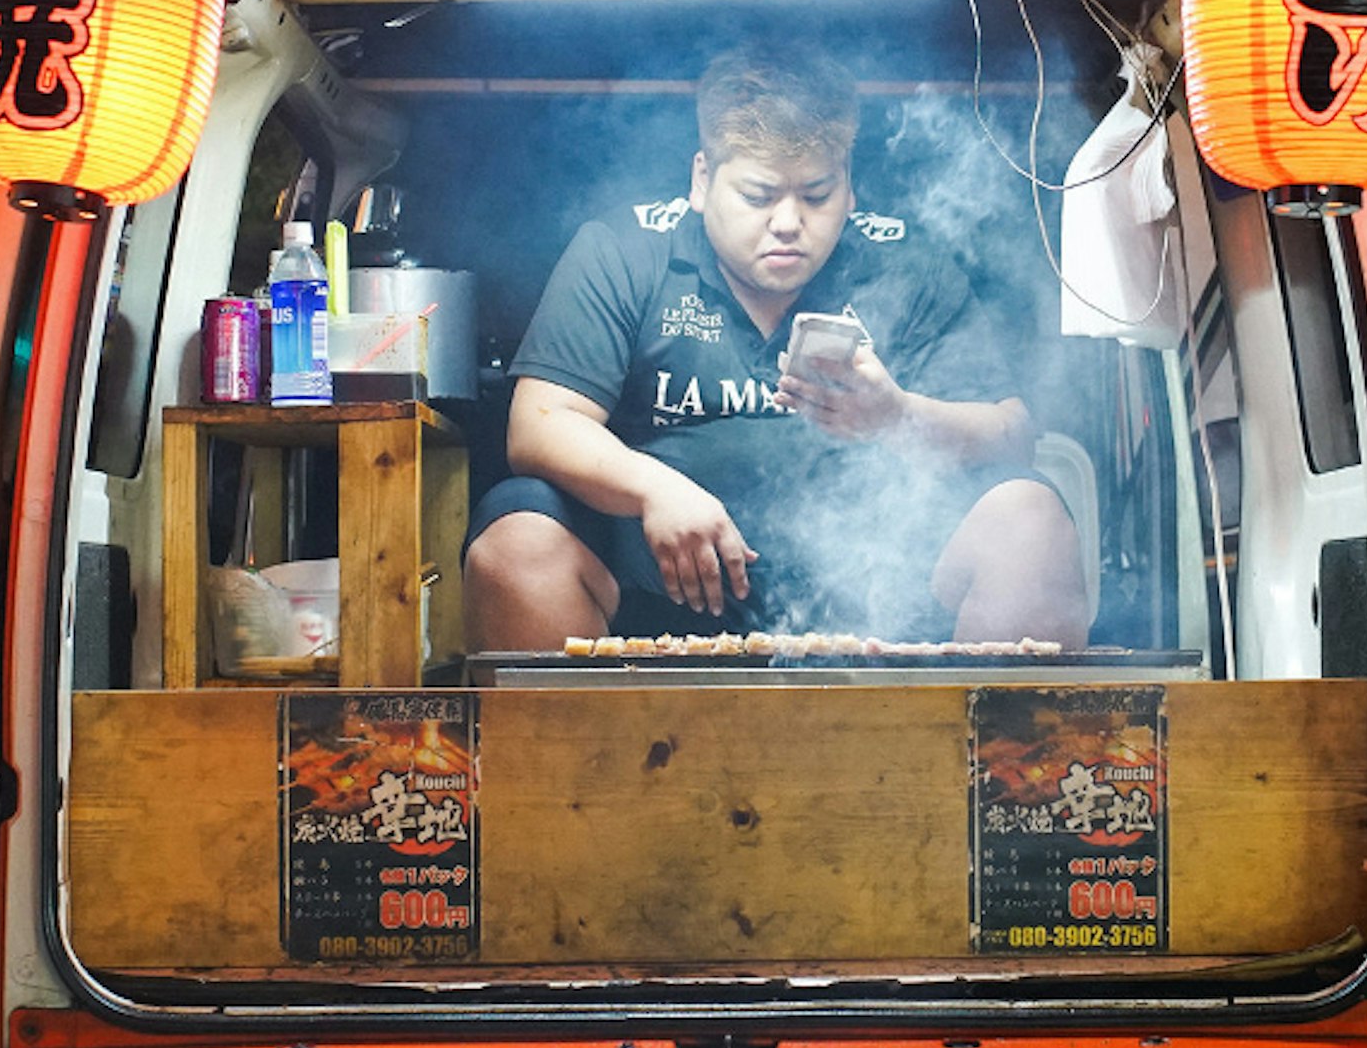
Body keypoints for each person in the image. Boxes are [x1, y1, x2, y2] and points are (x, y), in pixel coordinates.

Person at [464, 41, 1090, 651]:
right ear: (704, 179)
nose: (789, 222)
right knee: (517, 537)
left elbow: (1012, 433)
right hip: (660, 586)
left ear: (849, 185)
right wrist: (654, 488)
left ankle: (995, 754)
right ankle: (577, 755)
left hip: (875, 584)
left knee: (1028, 520)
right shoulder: (625, 251)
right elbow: (539, 426)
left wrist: (899, 417)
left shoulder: (905, 261)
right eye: (759, 196)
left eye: (816, 195)